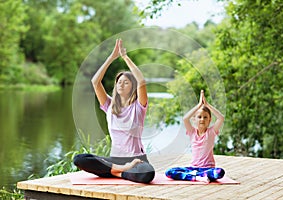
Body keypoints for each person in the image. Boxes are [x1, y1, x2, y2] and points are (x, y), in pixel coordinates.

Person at [73, 39, 155, 183]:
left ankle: (115, 172)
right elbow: (95, 82)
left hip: (136, 160)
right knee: (79, 159)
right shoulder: (109, 105)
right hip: (115, 160)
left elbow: (141, 81)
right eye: (119, 82)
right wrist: (111, 57)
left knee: (147, 174)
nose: (121, 84)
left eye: (126, 82)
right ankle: (121, 171)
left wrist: (125, 58)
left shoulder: (138, 107)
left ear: (132, 87)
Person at [165, 90, 225, 183]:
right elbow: (185, 118)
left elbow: (221, 118)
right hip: (193, 168)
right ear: (194, 119)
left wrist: (207, 105)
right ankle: (197, 177)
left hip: (207, 169)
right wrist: (199, 105)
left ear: (209, 120)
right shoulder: (192, 132)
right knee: (169, 172)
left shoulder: (211, 132)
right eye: (199, 117)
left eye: (205, 117)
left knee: (219, 172)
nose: (202, 119)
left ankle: (195, 176)